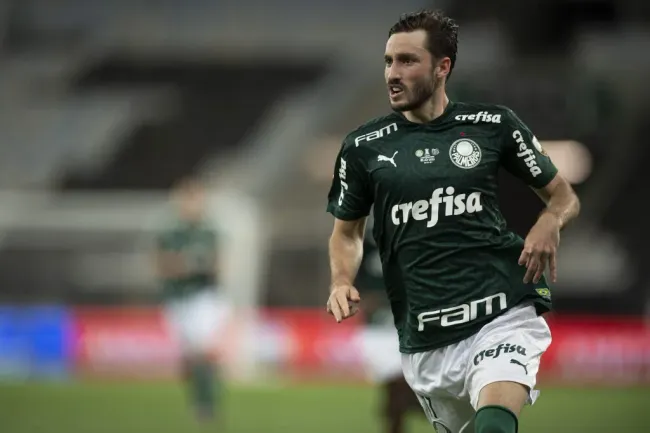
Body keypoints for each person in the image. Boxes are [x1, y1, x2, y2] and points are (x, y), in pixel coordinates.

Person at [325, 9, 580, 433]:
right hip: (425, 335)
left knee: (495, 424)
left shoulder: (492, 126)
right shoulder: (363, 147)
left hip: (501, 311)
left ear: (443, 67)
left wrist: (550, 220)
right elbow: (347, 233)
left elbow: (563, 196)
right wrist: (339, 279)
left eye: (407, 61)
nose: (393, 72)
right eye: (389, 61)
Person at [153, 177, 229, 423]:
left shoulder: (210, 231)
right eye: (190, 199)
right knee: (189, 357)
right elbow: (164, 265)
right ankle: (200, 393)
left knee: (202, 350)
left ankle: (206, 404)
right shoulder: (170, 233)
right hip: (177, 299)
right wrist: (189, 264)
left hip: (203, 298)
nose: (195, 205)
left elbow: (218, 265)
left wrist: (195, 265)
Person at [354, 214, 422, 433]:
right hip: (377, 326)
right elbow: (352, 273)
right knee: (391, 379)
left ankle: (404, 408)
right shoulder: (363, 247)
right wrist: (361, 295)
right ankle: (405, 408)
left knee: (401, 378)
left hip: (406, 321)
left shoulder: (412, 242)